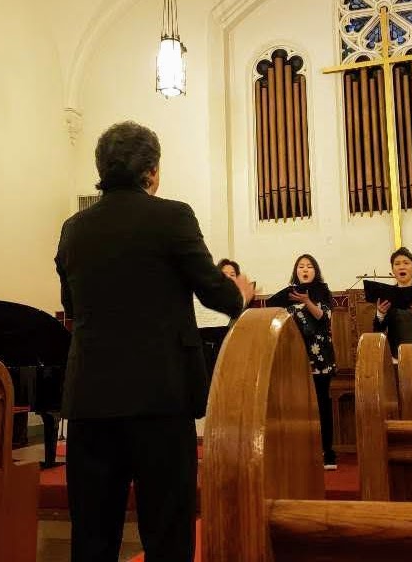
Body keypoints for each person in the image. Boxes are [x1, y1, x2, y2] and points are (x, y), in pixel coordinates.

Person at [55, 121, 253, 562]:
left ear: (102, 169)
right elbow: (215, 293)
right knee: (167, 534)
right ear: (152, 171)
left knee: (92, 535)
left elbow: (70, 303)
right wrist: (240, 293)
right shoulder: (172, 216)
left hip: (91, 399)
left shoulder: (74, 228)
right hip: (160, 396)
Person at [284, 254, 338, 470]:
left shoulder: (322, 291)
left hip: (320, 355)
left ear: (315, 271)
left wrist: (307, 301)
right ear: (295, 271)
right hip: (297, 356)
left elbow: (323, 318)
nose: (305, 269)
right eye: (301, 266)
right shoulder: (288, 295)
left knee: (322, 404)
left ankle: (328, 452)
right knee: (299, 407)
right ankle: (303, 451)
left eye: (309, 266)